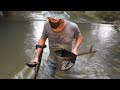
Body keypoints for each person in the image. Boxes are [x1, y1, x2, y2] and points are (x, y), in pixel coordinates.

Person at [31, 11, 83, 79]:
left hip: (66, 60)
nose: (51, 20)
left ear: (61, 18)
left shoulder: (72, 27)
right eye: (50, 18)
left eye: (54, 19)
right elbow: (42, 39)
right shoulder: (47, 25)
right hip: (51, 60)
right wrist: (36, 57)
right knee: (47, 77)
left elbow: (79, 37)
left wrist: (75, 48)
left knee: (66, 77)